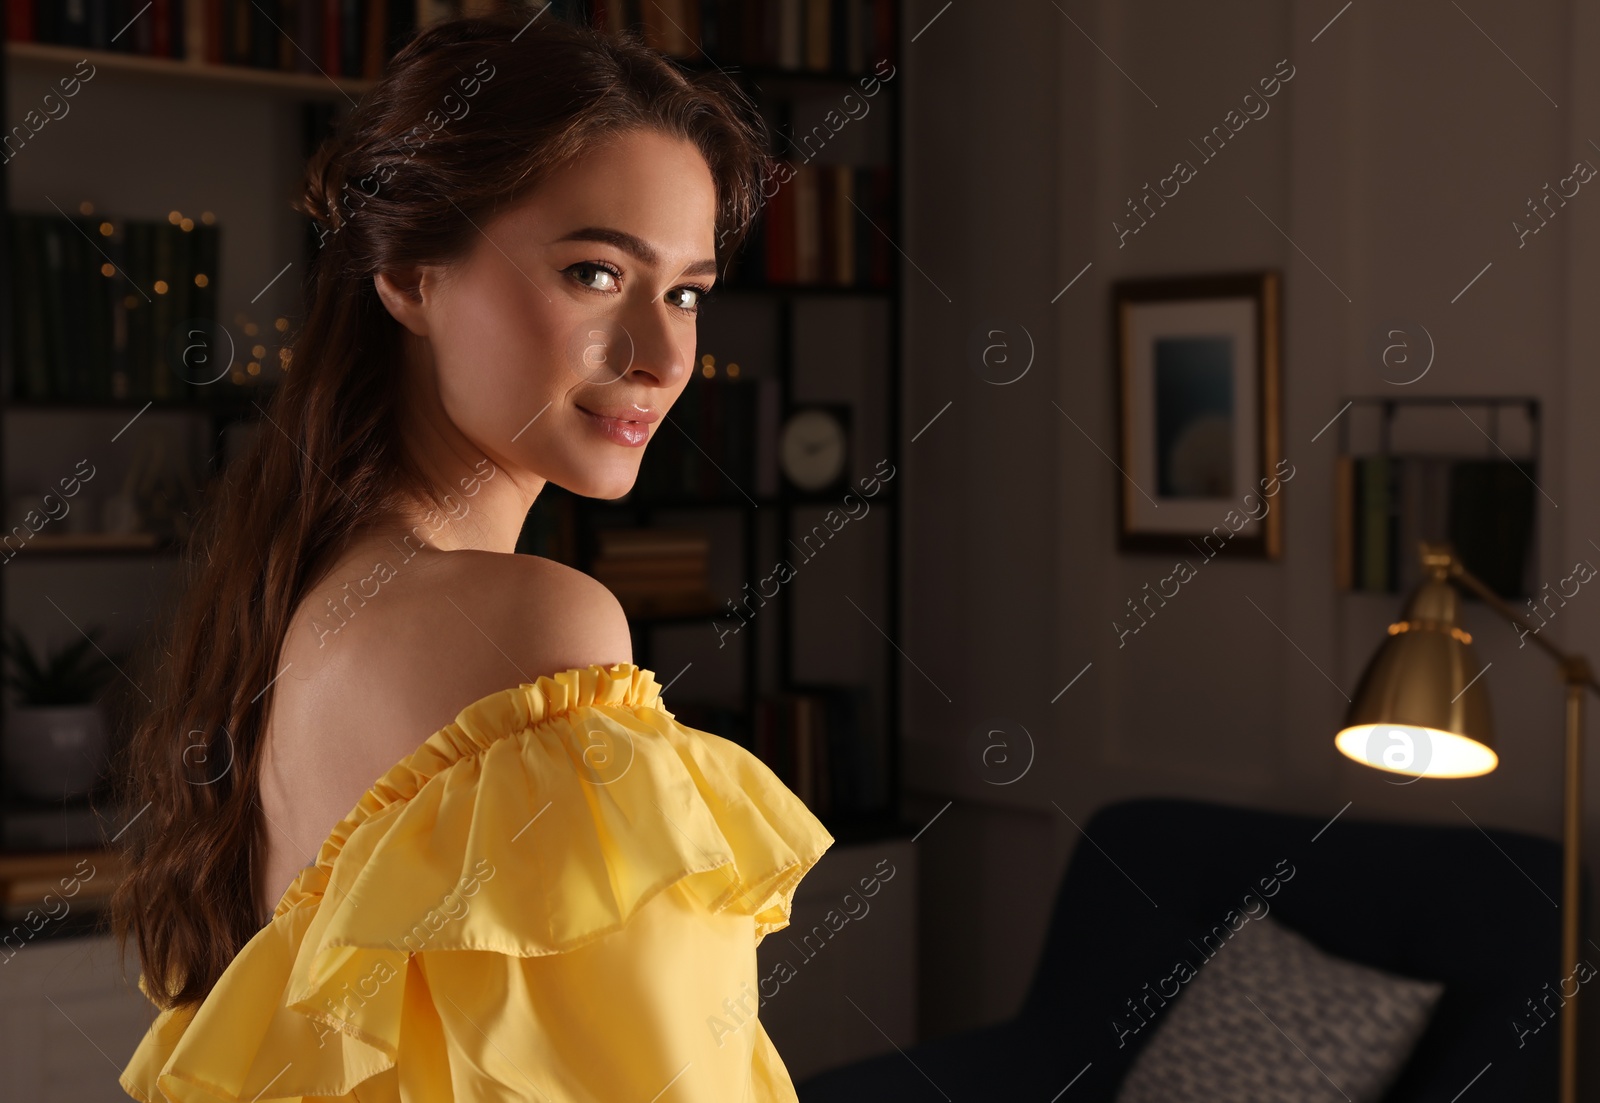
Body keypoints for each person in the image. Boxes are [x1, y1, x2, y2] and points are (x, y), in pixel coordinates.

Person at [109, 12, 834, 1101]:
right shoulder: (539, 628)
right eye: (595, 273)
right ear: (407, 273)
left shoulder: (300, 596)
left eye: (685, 290)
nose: (661, 352)